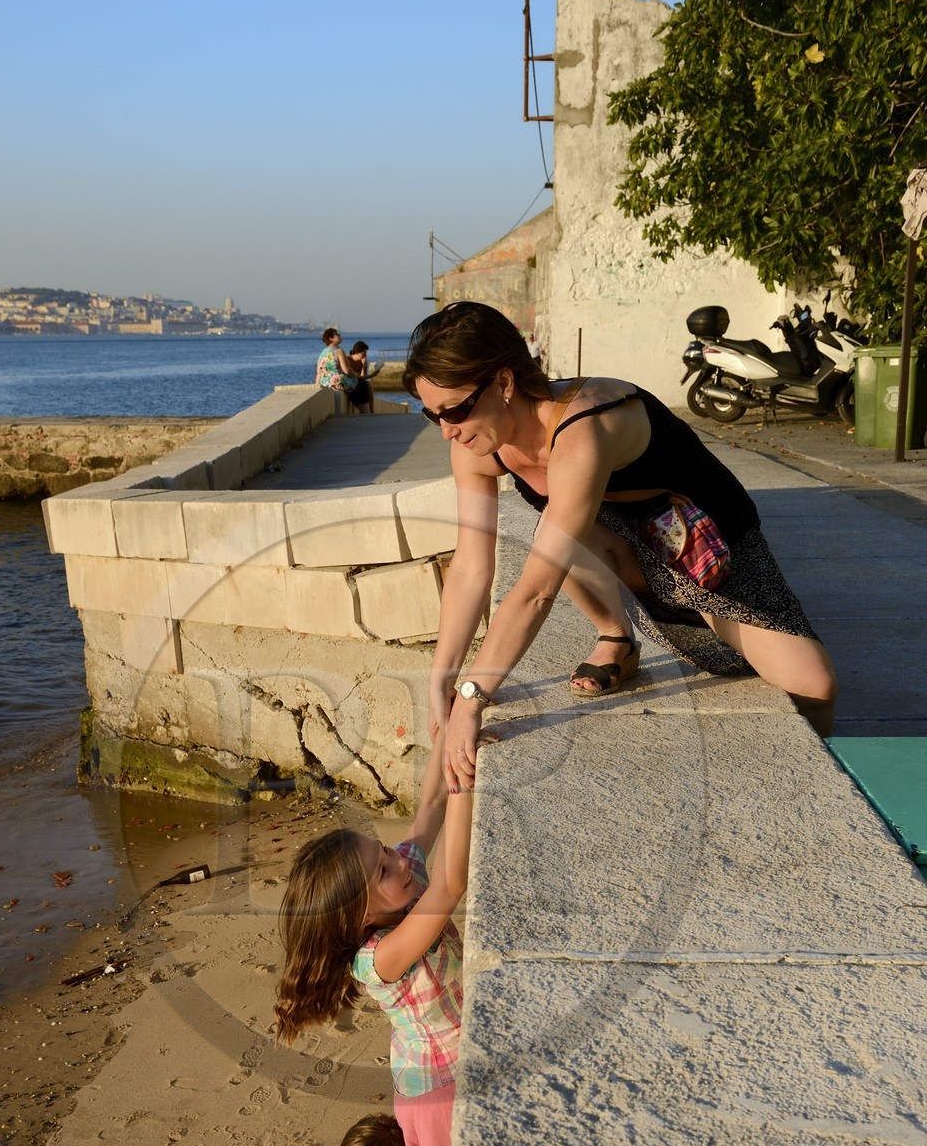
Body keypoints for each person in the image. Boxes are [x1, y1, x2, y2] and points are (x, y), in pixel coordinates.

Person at [401, 301, 838, 791]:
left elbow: (536, 591)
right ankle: (617, 636)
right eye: (430, 415)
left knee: (815, 686)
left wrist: (472, 695)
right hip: (627, 547)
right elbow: (470, 567)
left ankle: (819, 784)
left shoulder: (584, 426)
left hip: (704, 549)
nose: (446, 431)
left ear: (503, 384)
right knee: (557, 528)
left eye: (455, 411)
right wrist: (443, 676)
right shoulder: (476, 447)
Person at [276, 728, 474, 1146]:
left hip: (439, 1071)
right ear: (358, 916)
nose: (397, 861)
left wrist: (447, 746)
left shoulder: (394, 886)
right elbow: (451, 886)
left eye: (384, 853)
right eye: (382, 869)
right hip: (435, 1098)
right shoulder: (379, 958)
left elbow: (423, 817)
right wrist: (470, 784)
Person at [316, 327, 372, 413]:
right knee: (362, 384)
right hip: (336, 382)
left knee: (354, 385)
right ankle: (365, 411)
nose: (339, 335)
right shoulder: (338, 350)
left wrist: (317, 387)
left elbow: (318, 374)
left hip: (324, 384)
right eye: (337, 334)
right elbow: (347, 371)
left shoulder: (322, 353)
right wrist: (358, 375)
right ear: (331, 339)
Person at [347, 339, 375, 413]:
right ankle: (370, 412)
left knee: (367, 384)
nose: (365, 356)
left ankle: (370, 411)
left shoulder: (361, 361)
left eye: (366, 353)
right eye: (363, 353)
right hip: (352, 385)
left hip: (359, 385)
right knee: (366, 385)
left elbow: (363, 377)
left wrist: (364, 366)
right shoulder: (348, 360)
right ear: (357, 352)